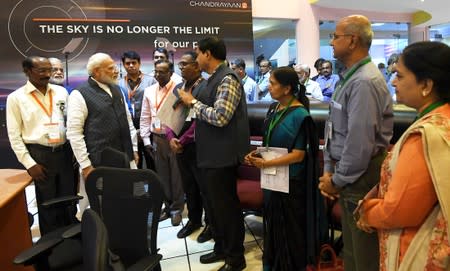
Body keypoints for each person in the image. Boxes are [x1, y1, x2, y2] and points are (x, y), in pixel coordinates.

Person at [356, 41, 450, 271]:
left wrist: (366, 212)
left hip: (417, 246)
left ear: (426, 84)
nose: (393, 82)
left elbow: (398, 210)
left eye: (399, 75)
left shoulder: (427, 133)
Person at [318, 15, 394, 271]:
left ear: (352, 41)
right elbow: (335, 128)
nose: (331, 42)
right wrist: (329, 169)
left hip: (360, 176)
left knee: (363, 256)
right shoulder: (349, 77)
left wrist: (336, 180)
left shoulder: (364, 81)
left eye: (335, 36)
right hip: (347, 174)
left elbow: (359, 144)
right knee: (351, 252)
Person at [178, 36, 249, 271]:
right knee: (215, 208)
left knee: (226, 209)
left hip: (222, 157)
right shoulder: (211, 79)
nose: (196, 57)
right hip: (209, 155)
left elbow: (220, 117)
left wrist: (192, 103)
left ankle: (235, 259)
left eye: (197, 53)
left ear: (208, 53)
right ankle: (221, 249)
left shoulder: (228, 78)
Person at [245, 67, 325, 271]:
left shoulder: (300, 115)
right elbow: (271, 144)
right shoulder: (274, 108)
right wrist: (257, 155)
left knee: (290, 230)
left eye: (272, 83)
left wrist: (267, 164)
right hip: (273, 179)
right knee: (273, 227)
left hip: (291, 183)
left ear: (287, 88)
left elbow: (298, 155)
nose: (268, 87)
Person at [6, 56, 77, 235]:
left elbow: (71, 122)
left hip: (64, 151)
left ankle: (73, 239)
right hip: (40, 155)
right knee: (47, 202)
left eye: (49, 70)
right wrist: (30, 164)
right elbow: (14, 136)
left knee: (69, 198)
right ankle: (51, 246)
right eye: (41, 71)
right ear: (27, 71)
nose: (47, 74)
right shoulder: (16, 98)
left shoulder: (61, 92)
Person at [67, 52, 138, 214]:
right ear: (97, 72)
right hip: (99, 161)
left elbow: (127, 122)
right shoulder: (80, 94)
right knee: (103, 206)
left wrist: (134, 149)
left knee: (126, 201)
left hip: (125, 157)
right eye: (111, 68)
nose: (116, 71)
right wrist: (85, 166)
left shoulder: (117, 89)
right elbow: (74, 134)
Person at [167, 51, 211, 242]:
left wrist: (182, 140)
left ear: (196, 65)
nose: (181, 67)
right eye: (180, 65)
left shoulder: (205, 86)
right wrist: (170, 138)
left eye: (185, 64)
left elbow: (200, 121)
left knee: (204, 188)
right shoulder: (178, 87)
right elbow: (169, 117)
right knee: (189, 187)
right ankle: (194, 220)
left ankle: (210, 224)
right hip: (179, 147)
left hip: (198, 146)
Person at [140, 59, 184, 226]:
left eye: (162, 72)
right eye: (156, 71)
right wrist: (145, 140)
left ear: (171, 72)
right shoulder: (149, 91)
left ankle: (177, 209)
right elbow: (145, 116)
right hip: (157, 138)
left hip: (173, 138)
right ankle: (167, 206)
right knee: (162, 175)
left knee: (176, 176)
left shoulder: (178, 88)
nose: (158, 75)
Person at [118, 50, 155, 170]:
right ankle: (139, 189)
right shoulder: (118, 84)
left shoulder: (151, 81)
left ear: (139, 63)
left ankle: (153, 188)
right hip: (129, 129)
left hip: (149, 128)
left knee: (152, 162)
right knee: (135, 164)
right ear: (123, 65)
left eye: (134, 62)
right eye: (127, 63)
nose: (131, 66)